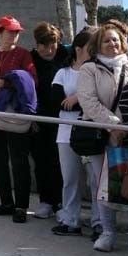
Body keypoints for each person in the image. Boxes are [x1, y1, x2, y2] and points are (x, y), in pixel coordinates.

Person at [77, 20, 128, 252]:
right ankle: (108, 232)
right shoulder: (89, 69)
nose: (112, 44)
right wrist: (113, 126)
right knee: (104, 186)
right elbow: (88, 102)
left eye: (116, 40)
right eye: (106, 40)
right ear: (98, 44)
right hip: (104, 136)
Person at [0, 16, 37, 223]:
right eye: (10, 31)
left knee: (19, 160)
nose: (14, 35)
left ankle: (21, 205)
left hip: (15, 113)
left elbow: (31, 82)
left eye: (16, 31)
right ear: (0, 32)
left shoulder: (23, 54)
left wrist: (6, 84)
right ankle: (6, 201)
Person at [51, 28, 95, 236]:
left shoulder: (98, 71)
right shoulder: (63, 72)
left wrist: (78, 98)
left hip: (93, 133)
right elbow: (57, 102)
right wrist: (84, 101)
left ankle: (99, 222)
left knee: (95, 180)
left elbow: (99, 100)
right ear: (78, 49)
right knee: (70, 178)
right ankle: (70, 219)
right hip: (67, 132)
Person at [30, 22, 69, 219]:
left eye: (52, 44)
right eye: (43, 45)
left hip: (65, 118)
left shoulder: (67, 56)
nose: (48, 49)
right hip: (39, 117)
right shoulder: (32, 58)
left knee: (61, 162)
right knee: (41, 160)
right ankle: (45, 200)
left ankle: (61, 203)